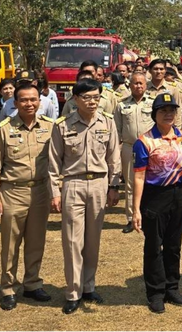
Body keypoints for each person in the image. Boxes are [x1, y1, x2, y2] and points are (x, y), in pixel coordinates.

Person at [48, 79, 121, 314]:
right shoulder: (62, 125)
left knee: (92, 240)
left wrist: (114, 186)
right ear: (75, 99)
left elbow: (114, 157)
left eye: (96, 97)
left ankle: (88, 286)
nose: (92, 102)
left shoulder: (107, 122)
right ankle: (72, 292)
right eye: (87, 97)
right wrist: (55, 192)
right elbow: (53, 163)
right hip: (73, 183)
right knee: (72, 240)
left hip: (99, 184)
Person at [131, 93, 182, 313]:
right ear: (155, 114)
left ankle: (172, 287)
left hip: (178, 196)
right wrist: (136, 209)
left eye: (172, 110)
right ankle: (155, 292)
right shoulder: (144, 142)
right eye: (163, 111)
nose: (168, 114)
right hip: (154, 197)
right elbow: (139, 176)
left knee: (174, 246)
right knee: (154, 247)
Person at [0, 84, 55, 310]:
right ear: (15, 103)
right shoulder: (3, 129)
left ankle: (32, 283)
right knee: (10, 244)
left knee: (36, 241)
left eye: (33, 100)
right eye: (24, 100)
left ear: (40, 102)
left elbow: (56, 163)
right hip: (12, 192)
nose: (29, 104)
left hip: (40, 191)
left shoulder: (50, 127)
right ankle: (8, 288)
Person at [113, 70, 154, 233]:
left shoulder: (153, 103)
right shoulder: (122, 105)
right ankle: (131, 218)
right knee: (130, 183)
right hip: (129, 147)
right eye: (135, 83)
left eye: (141, 83)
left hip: (150, 147)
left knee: (150, 182)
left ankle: (148, 215)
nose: (138, 86)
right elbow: (116, 129)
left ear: (146, 85)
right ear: (129, 85)